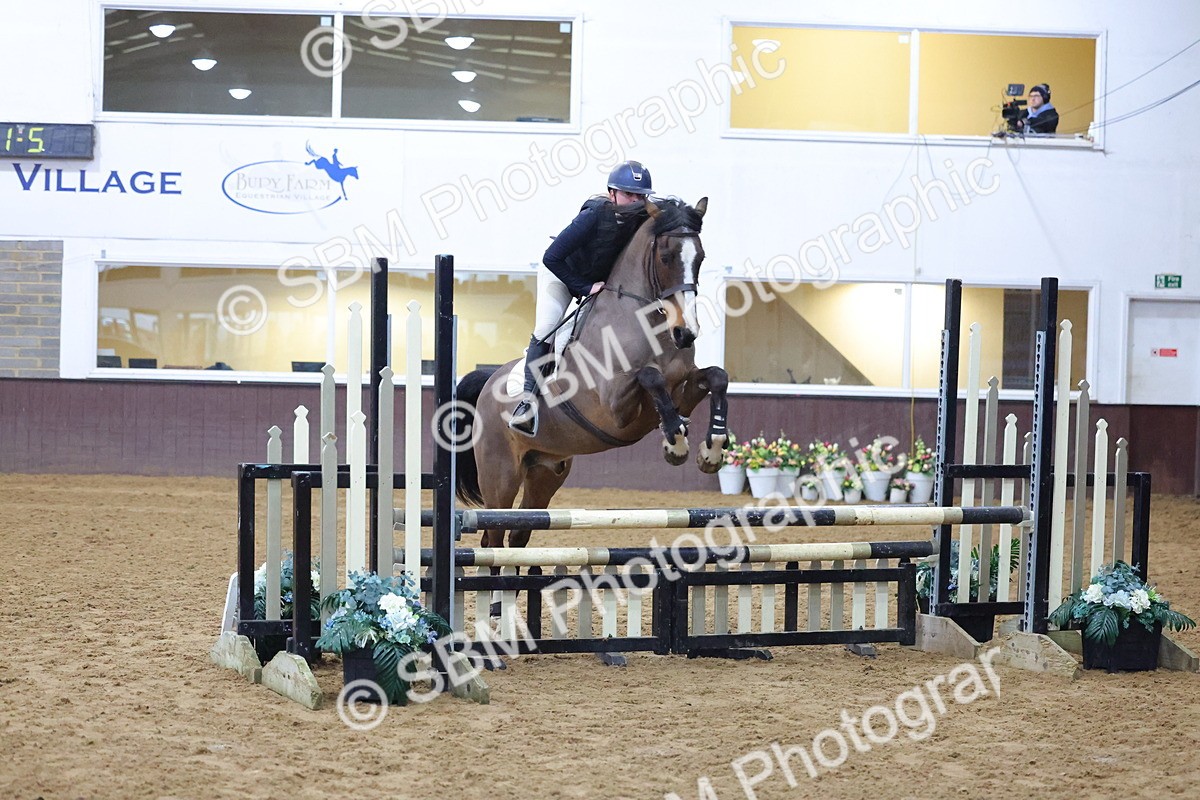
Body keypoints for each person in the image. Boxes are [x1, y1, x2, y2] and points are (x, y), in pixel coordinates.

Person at [508, 160, 653, 436]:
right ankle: (526, 405)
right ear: (612, 193)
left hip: (596, 281)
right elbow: (551, 257)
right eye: (628, 194)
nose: (635, 201)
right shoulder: (595, 215)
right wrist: (585, 288)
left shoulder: (641, 221)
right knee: (547, 330)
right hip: (562, 274)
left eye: (640, 196)